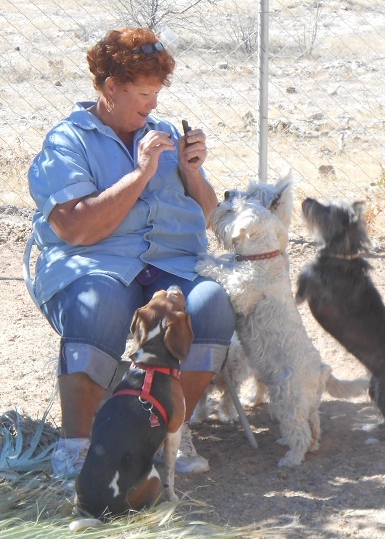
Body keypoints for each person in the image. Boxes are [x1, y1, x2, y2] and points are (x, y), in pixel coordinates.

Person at [26, 27, 235, 478]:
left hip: (167, 263)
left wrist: (192, 173)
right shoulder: (68, 140)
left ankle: (166, 432)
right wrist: (140, 173)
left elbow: (208, 216)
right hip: (95, 262)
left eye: (157, 93)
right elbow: (77, 228)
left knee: (209, 305)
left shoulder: (162, 133)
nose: (153, 105)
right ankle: (77, 448)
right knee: (98, 303)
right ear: (109, 87)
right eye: (142, 93)